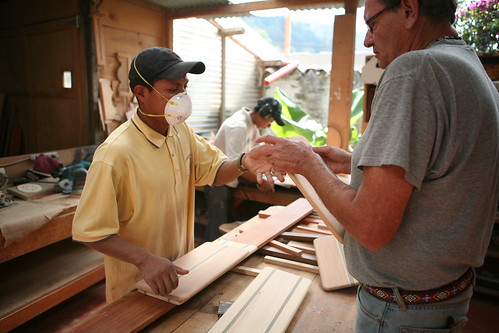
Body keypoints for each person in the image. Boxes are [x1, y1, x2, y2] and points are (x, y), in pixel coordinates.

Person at [248, 0, 499, 331]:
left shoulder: (416, 69)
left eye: (372, 25)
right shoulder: (467, 66)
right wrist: (354, 162)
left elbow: (370, 227)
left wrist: (308, 163)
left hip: (400, 312)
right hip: (439, 299)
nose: (367, 41)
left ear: (409, 10)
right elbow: (443, 169)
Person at [71, 46, 270, 303]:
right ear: (141, 93)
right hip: (136, 288)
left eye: (184, 88)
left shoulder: (180, 131)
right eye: (172, 89)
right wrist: (145, 260)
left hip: (181, 274)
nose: (183, 96)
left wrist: (244, 161)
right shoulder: (114, 154)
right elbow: (91, 231)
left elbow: (214, 171)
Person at [204, 97, 285, 241]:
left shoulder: (252, 125)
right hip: (219, 180)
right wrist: (261, 181)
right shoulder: (238, 126)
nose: (269, 125)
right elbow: (236, 163)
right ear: (265, 113)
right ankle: (212, 256)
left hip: (232, 178)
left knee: (228, 220)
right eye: (270, 121)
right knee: (218, 224)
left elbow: (255, 153)